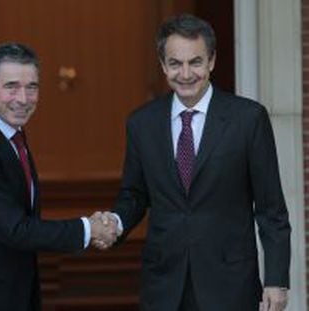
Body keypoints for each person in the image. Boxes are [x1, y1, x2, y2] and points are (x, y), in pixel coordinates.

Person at [100, 14, 291, 311]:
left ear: (212, 61)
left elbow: (271, 209)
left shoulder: (248, 119)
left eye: (196, 62)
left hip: (230, 283)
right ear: (163, 65)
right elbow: (134, 195)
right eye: (175, 63)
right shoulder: (141, 124)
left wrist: (276, 280)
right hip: (164, 284)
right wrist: (116, 221)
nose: (185, 73)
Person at [0, 42, 119, 311]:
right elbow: (15, 228)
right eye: (12, 87)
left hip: (9, 291)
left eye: (32, 87)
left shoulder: (11, 134)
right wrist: (89, 229)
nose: (23, 98)